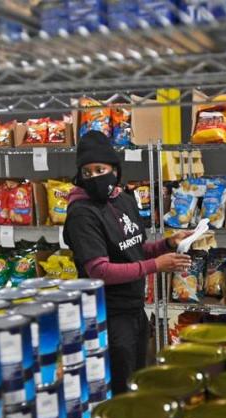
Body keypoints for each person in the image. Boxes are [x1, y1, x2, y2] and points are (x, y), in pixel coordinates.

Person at [64, 130, 192, 393]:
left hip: (135, 308)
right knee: (120, 388)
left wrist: (166, 244)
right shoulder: (81, 214)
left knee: (138, 379)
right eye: (87, 173)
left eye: (100, 169)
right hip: (108, 314)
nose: (94, 177)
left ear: (115, 169)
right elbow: (99, 270)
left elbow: (135, 248)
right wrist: (156, 266)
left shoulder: (124, 200)